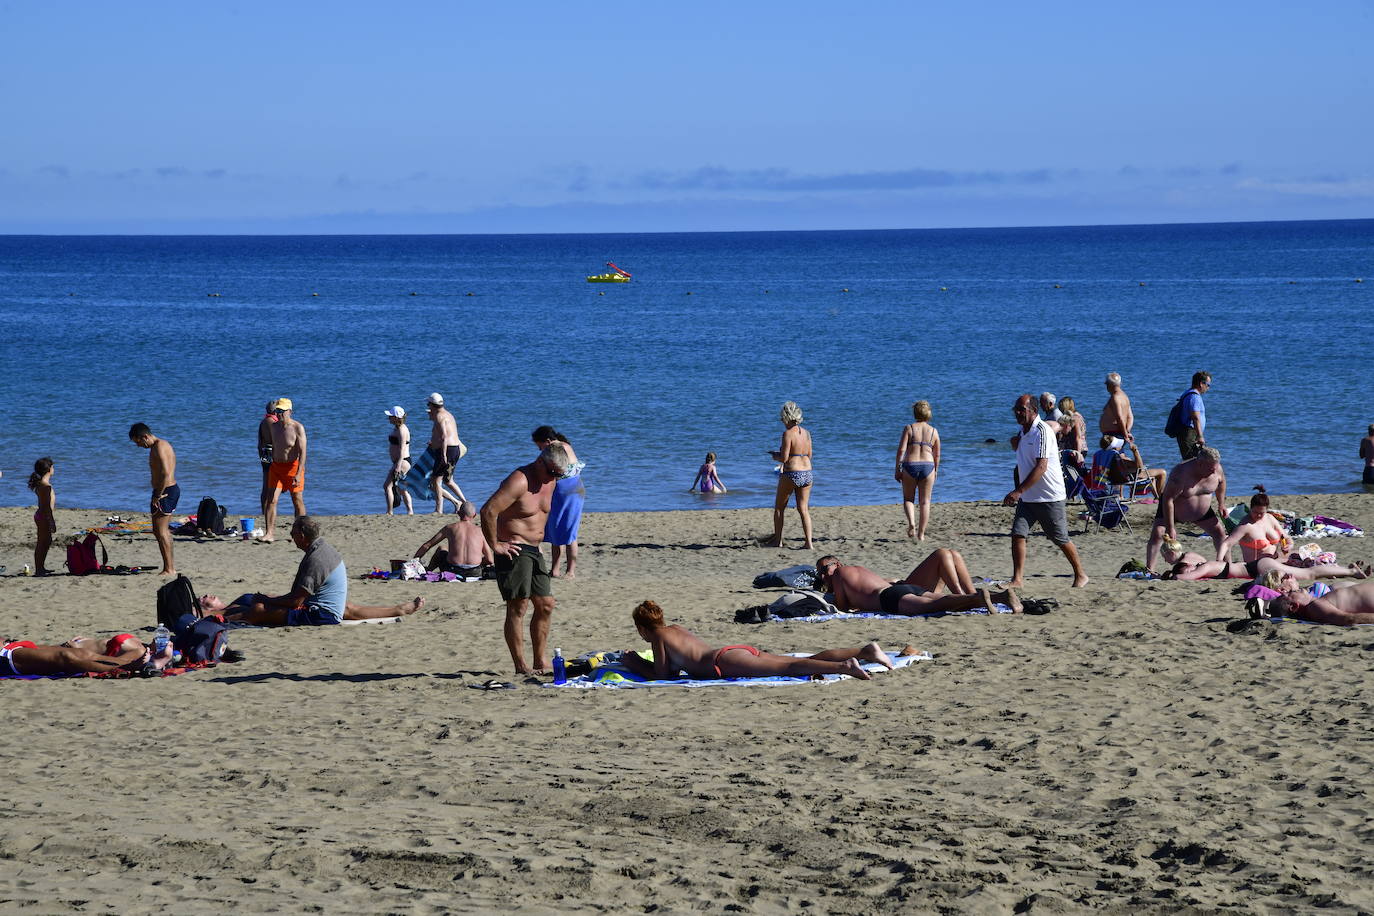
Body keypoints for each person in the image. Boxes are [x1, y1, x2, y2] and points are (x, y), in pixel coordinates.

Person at [216, 516, 422, 625]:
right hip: (327, 607)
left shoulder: (316, 559)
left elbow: (296, 602)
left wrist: (267, 601)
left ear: (303, 536)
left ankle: (219, 619)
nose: (291, 536)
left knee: (259, 609)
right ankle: (398, 609)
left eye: (293, 533)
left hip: (319, 615)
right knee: (347, 608)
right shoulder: (323, 548)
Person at [621, 600, 897, 681]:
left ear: (642, 627)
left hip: (722, 662)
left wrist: (633, 662)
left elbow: (663, 675)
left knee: (790, 668)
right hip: (731, 652)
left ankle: (844, 667)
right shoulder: (674, 628)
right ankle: (864, 651)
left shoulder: (656, 635)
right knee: (799, 661)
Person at [480, 443, 573, 675]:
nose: (554, 478)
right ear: (540, 461)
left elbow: (542, 515)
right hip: (513, 549)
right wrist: (495, 546)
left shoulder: (550, 480)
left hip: (534, 550)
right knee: (518, 607)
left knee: (546, 605)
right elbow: (488, 511)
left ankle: (539, 660)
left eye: (559, 475)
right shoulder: (519, 480)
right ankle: (521, 665)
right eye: (552, 472)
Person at [1005, 395, 1089, 588]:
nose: (1017, 413)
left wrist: (1018, 491)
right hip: (1029, 497)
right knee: (1018, 534)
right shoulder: (1023, 430)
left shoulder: (1042, 431)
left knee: (1060, 538)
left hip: (1049, 496)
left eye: (1021, 409)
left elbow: (1041, 466)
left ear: (1034, 410)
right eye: (1015, 409)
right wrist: (1016, 443)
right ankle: (1017, 580)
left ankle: (1081, 574)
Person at [1216, 486, 1369, 581]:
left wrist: (1288, 544)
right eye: (1255, 512)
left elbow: (1286, 537)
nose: (1258, 516)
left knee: (1317, 553)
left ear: (1266, 510)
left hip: (1281, 558)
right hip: (1263, 566)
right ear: (1251, 508)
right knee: (1311, 564)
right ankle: (1347, 571)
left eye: (1261, 513)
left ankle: (1340, 569)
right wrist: (1219, 562)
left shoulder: (1269, 518)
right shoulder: (1245, 525)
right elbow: (1226, 543)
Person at [816, 553, 1023, 615]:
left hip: (889, 598)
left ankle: (976, 597)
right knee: (940, 599)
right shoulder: (858, 568)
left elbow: (842, 608)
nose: (824, 576)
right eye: (820, 574)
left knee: (935, 606)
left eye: (824, 570)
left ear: (837, 564)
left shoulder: (839, 575)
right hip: (898, 589)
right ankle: (1001, 597)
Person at [1144, 446, 1228, 572]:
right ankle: (1149, 570)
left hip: (1201, 513)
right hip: (1175, 511)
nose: (1213, 472)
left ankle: (1226, 566)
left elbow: (1222, 483)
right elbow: (1168, 499)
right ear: (1200, 464)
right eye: (1211, 469)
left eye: (1215, 468)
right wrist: (1170, 526)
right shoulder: (1181, 473)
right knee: (1158, 535)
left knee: (1220, 533)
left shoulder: (1216, 470)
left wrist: (1221, 504)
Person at [533, 426, 585, 578]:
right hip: (572, 490)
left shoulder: (555, 448)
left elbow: (538, 466)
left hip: (567, 493)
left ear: (547, 441)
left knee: (565, 533)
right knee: (563, 531)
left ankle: (568, 571)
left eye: (539, 446)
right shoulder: (564, 445)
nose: (539, 450)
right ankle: (560, 570)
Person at [129, 423, 178, 576]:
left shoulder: (159, 446)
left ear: (145, 436)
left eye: (138, 442)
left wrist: (158, 494)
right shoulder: (162, 445)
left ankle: (169, 569)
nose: (138, 446)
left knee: (161, 532)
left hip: (165, 492)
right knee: (162, 532)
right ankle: (170, 567)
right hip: (168, 491)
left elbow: (165, 473)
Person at [764, 401, 814, 549]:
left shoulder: (787, 434)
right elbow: (809, 455)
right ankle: (809, 543)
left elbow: (785, 458)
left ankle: (778, 541)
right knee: (803, 509)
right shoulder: (807, 433)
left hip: (792, 473)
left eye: (782, 419)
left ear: (787, 418)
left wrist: (775, 456)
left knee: (779, 508)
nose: (782, 422)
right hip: (808, 473)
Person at [1, 634, 169, 677]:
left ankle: (132, 663)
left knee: (79, 653)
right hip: (7, 658)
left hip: (12, 648)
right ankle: (127, 666)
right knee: (66, 658)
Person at [893, 400, 940, 541]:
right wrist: (935, 470)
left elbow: (901, 450)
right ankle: (921, 534)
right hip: (928, 465)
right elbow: (937, 454)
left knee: (908, 499)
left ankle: (912, 524)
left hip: (910, 465)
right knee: (925, 502)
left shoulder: (909, 428)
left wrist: (897, 468)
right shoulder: (933, 431)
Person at [262, 398, 307, 543]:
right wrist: (265, 460)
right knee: (271, 500)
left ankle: (300, 532)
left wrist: (299, 473)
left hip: (292, 467)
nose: (279, 414)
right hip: (276, 467)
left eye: (282, 411)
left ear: (290, 412)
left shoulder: (297, 427)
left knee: (297, 500)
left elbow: (303, 452)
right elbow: (269, 445)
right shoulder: (273, 427)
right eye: (277, 411)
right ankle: (269, 533)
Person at [413, 501, 492, 576]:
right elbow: (490, 560)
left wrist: (414, 561)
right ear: (474, 515)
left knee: (441, 548)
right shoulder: (480, 531)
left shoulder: (449, 528)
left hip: (453, 570)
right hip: (474, 572)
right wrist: (477, 563)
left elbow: (427, 545)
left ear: (458, 513)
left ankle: (429, 569)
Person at [1268, 573, 1374, 626]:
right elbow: (1348, 619)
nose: (1287, 591)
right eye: (1286, 595)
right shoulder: (1315, 606)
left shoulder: (1317, 602)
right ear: (1294, 606)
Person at [425, 392, 466, 513]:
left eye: (428, 404)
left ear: (432, 405)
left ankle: (439, 509)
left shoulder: (439, 416)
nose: (428, 407)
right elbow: (448, 434)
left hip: (447, 450)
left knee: (435, 480)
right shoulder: (448, 414)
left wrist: (443, 455)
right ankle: (464, 502)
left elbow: (444, 437)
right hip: (454, 449)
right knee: (448, 481)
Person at [1089, 436, 1166, 498]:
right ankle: (1161, 498)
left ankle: (1157, 497)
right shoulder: (1119, 458)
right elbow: (1140, 467)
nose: (1121, 446)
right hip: (1129, 477)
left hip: (1113, 478)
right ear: (1115, 448)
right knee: (1162, 472)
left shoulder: (1102, 456)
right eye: (1119, 445)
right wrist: (1135, 451)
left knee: (1152, 477)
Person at [1158, 538, 1250, 580]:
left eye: (1164, 557)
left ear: (1171, 553)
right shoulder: (1190, 554)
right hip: (1223, 567)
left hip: (1223, 570)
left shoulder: (1184, 563)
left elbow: (1191, 575)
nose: (1165, 560)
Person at [1170, 371, 1211, 460]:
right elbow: (1195, 417)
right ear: (1201, 384)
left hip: (1189, 433)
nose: (1208, 388)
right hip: (1190, 433)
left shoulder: (1188, 393)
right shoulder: (1194, 397)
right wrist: (1200, 436)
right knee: (1192, 461)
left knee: (1193, 461)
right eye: (1208, 385)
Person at [28, 457, 56, 576]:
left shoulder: (41, 484)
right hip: (43, 516)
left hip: (41, 515)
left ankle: (41, 567)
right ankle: (39, 569)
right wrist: (51, 522)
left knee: (46, 541)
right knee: (42, 543)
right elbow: (46, 507)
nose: (54, 469)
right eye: (53, 467)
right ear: (49, 469)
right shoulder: (46, 486)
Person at [384, 406, 413, 515]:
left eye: (391, 416)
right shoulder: (397, 428)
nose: (389, 418)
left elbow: (402, 449)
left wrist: (397, 466)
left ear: (396, 418)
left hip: (402, 461)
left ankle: (389, 511)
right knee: (402, 488)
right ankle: (410, 512)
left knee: (387, 486)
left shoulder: (402, 430)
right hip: (400, 462)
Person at [1099, 372, 1134, 446]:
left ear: (1109, 385)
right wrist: (1127, 431)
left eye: (1106, 384)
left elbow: (1119, 418)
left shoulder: (1115, 398)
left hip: (1112, 435)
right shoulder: (1125, 397)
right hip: (1117, 433)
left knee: (1111, 456)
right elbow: (1130, 417)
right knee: (1118, 455)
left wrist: (1125, 435)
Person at [257, 400, 276, 516]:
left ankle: (264, 511)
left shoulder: (263, 422)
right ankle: (268, 511)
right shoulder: (273, 422)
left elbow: (259, 443)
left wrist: (260, 456)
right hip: (272, 454)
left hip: (264, 453)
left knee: (266, 484)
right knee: (271, 486)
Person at [1055, 396, 1087, 461]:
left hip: (1076, 449)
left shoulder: (1075, 418)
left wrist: (1078, 453)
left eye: (1061, 407)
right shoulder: (1075, 416)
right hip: (1074, 448)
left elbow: (1078, 437)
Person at [1360, 424, 1374, 488]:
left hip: (1369, 469)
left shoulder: (1365, 440)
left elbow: (1361, 455)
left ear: (1369, 431)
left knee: (1367, 487)